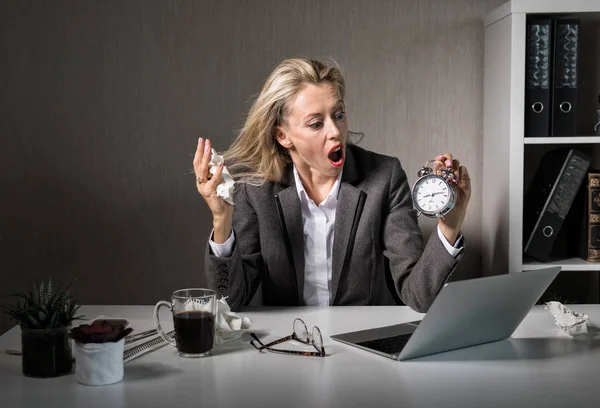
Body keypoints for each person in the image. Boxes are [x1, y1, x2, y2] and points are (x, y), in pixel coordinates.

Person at [193, 58, 471, 313]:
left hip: (363, 346)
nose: (335, 131)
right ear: (283, 136)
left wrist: (450, 226)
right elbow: (231, 300)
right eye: (316, 123)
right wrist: (222, 219)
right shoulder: (256, 190)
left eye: (338, 115)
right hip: (288, 344)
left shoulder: (384, 177)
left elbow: (417, 295)